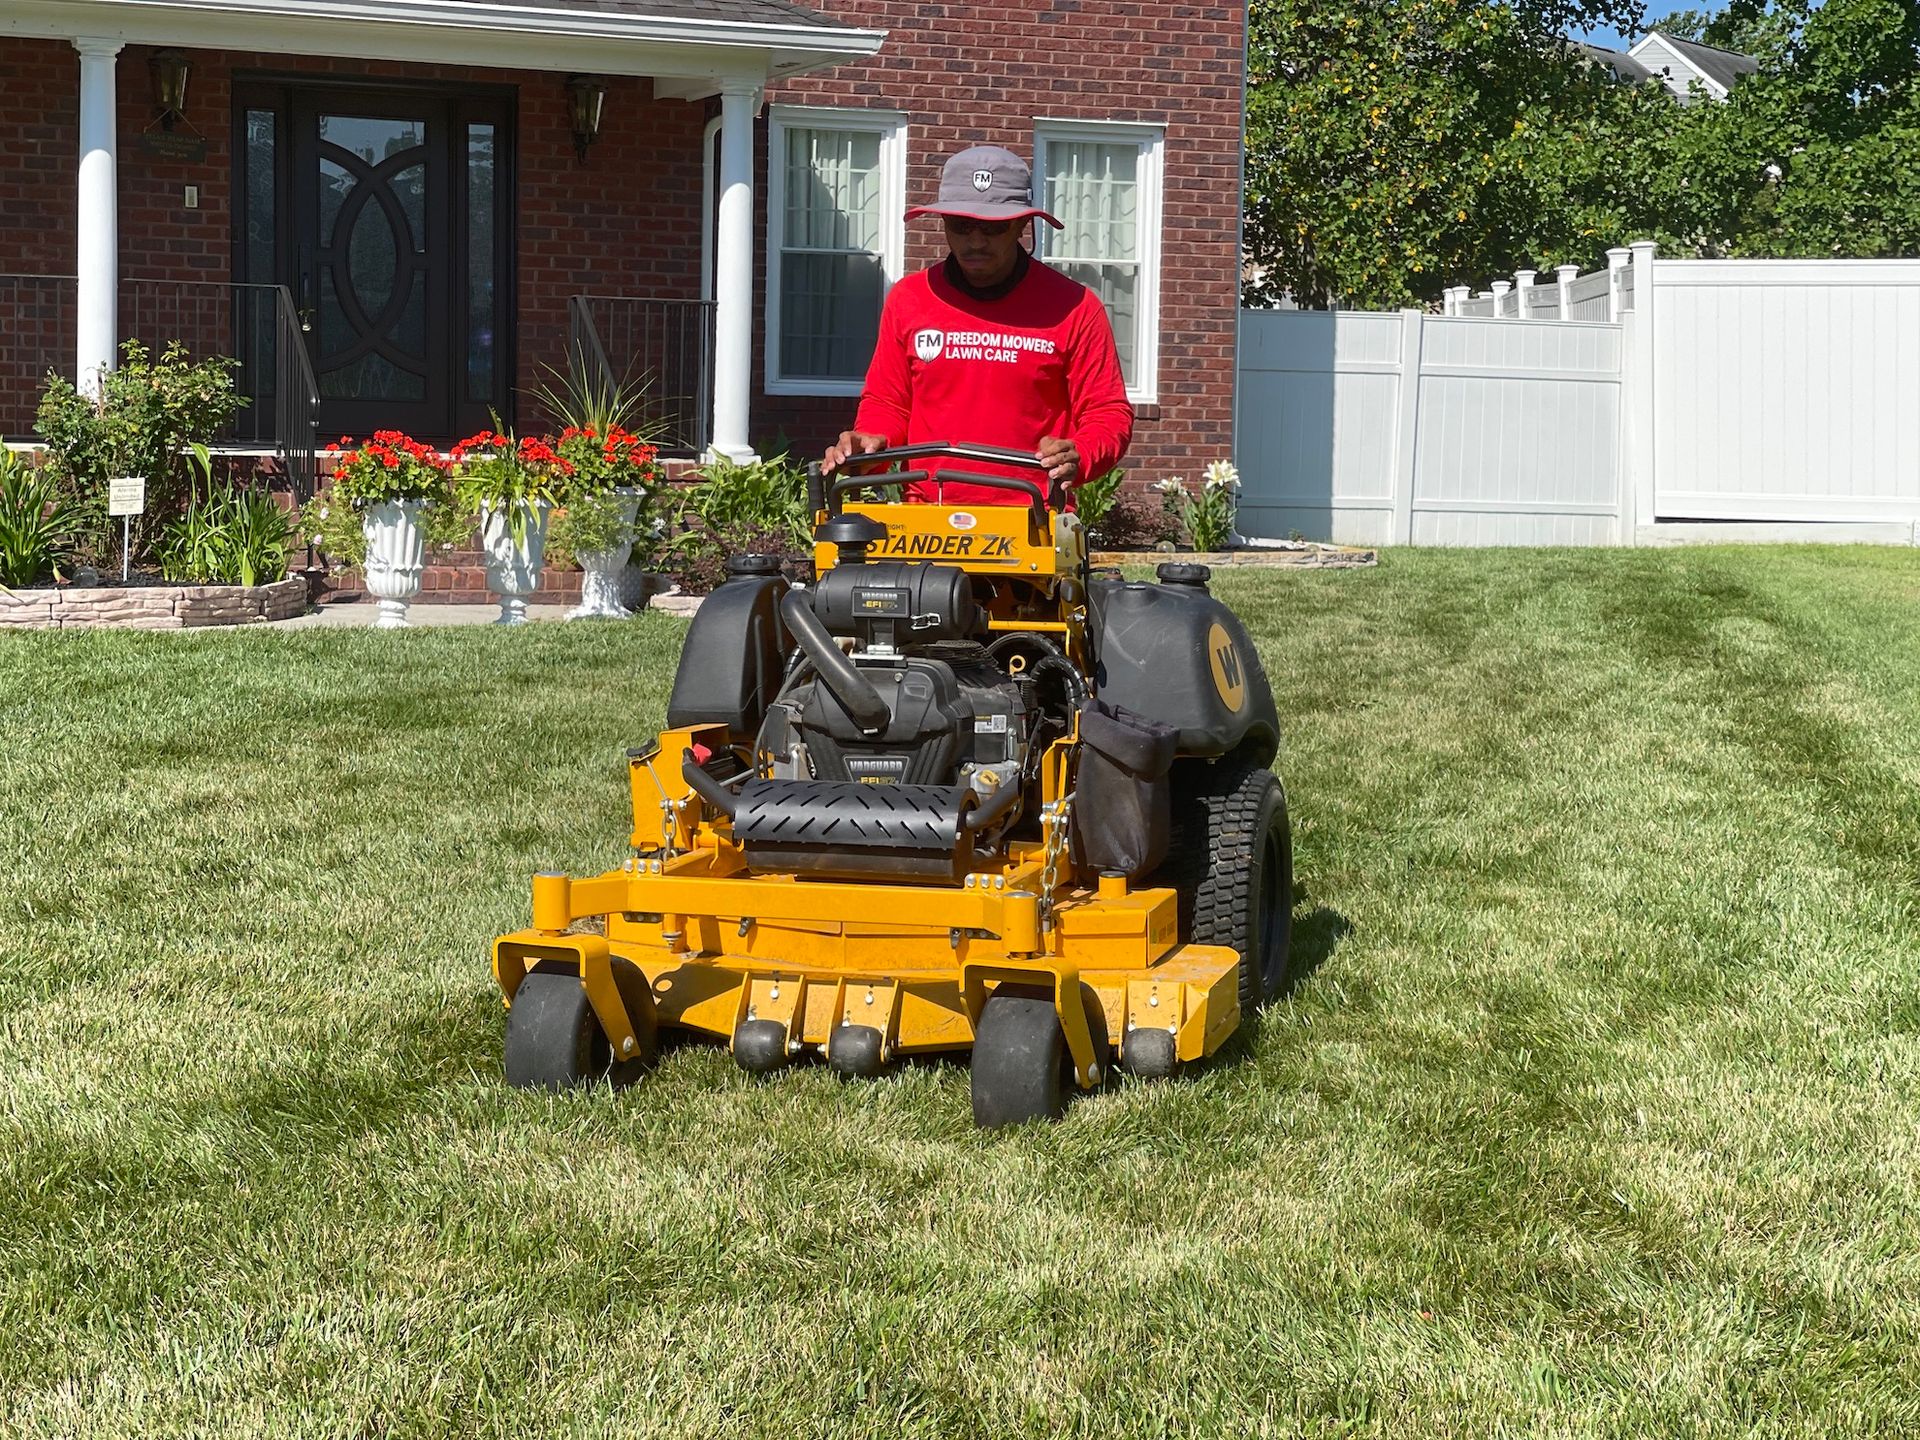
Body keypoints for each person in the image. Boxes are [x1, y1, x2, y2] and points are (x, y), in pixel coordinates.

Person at [823, 144, 1134, 507]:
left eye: (992, 228)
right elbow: (889, 402)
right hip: (929, 516)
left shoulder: (1077, 308)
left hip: (1035, 517)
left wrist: (1079, 452)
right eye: (961, 226)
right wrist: (870, 443)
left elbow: (1107, 412)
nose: (975, 241)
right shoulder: (908, 299)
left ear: (1022, 223)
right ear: (943, 223)